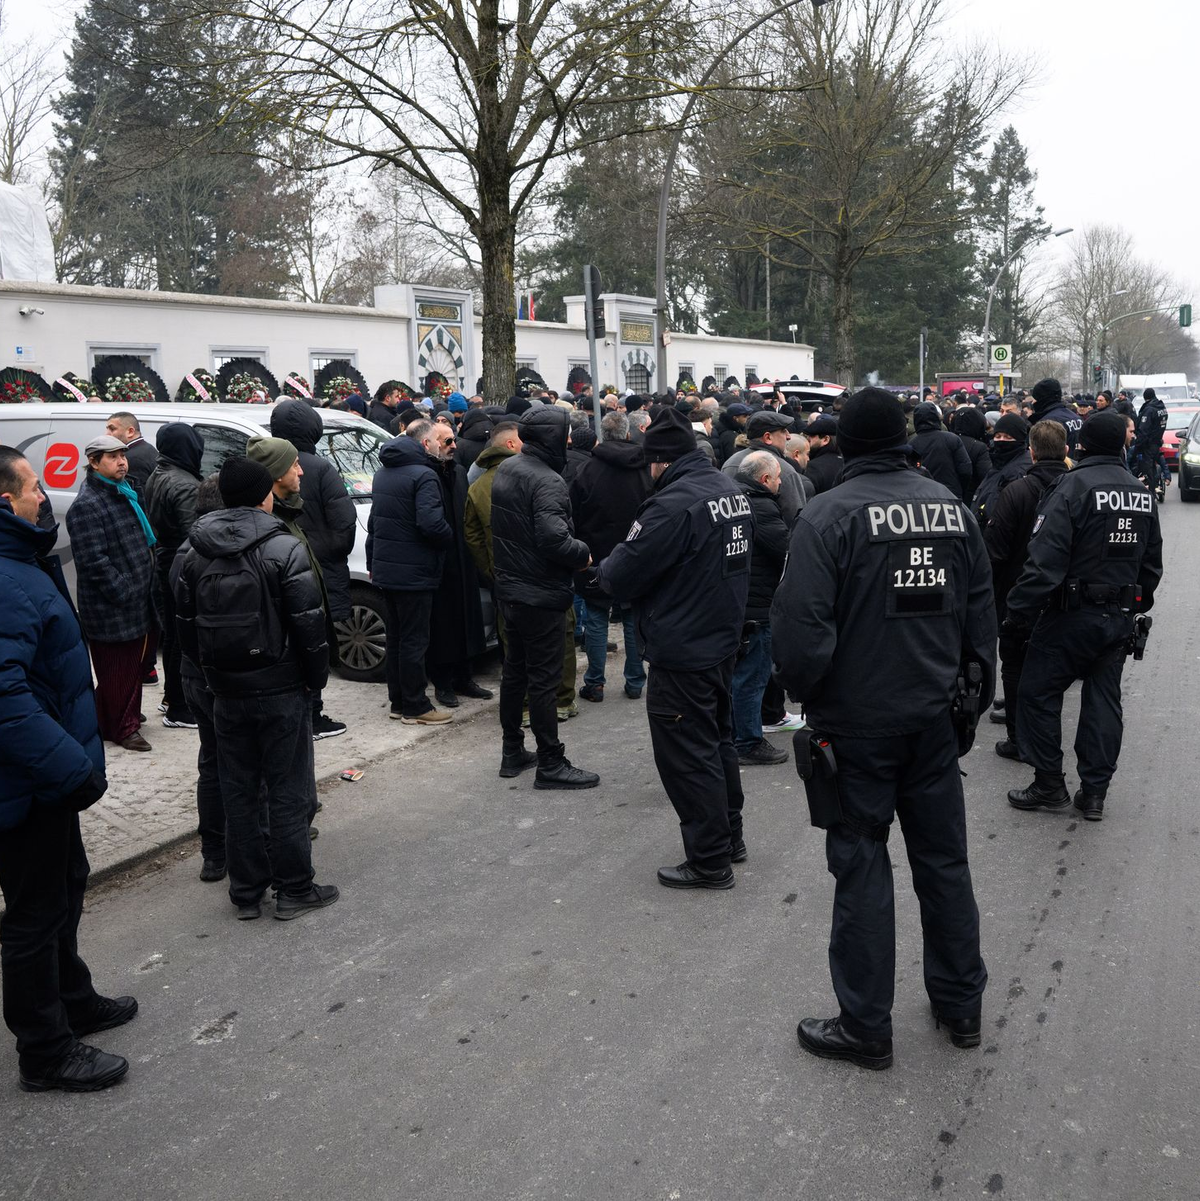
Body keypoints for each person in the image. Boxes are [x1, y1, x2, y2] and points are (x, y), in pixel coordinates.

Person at [772, 388, 995, 1070]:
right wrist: (968, 703)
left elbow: (802, 630)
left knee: (863, 864)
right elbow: (980, 618)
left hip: (858, 725)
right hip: (931, 721)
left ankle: (866, 1024)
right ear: (902, 438)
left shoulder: (828, 513)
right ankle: (960, 1003)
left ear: (846, 441)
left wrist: (805, 697)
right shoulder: (951, 508)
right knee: (944, 863)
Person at [0, 446, 135, 1093]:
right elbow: (5, 699)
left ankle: (72, 997)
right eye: (32, 487)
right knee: (32, 913)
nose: (42, 497)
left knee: (65, 885)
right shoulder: (3, 577)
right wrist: (69, 766)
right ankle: (45, 1049)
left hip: (44, 778)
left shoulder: (22, 560)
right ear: (6, 501)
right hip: (23, 783)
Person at [174, 456, 338, 921]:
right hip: (281, 686)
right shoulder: (283, 547)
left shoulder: (193, 550)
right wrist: (313, 681)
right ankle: (294, 889)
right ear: (265, 494)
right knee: (286, 789)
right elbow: (310, 627)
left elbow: (185, 629)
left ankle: (246, 892)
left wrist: (210, 675)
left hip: (225, 690)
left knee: (239, 790)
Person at [595, 407, 752, 890]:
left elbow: (619, 575)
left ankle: (709, 860)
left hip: (684, 646)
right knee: (717, 740)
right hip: (720, 636)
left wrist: (598, 573)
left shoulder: (672, 504)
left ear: (659, 461)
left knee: (688, 754)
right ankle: (729, 839)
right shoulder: (731, 490)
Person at [1004, 410, 1163, 821]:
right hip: (1119, 617)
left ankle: (1049, 784)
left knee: (1037, 693)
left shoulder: (1071, 488)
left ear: (1082, 445)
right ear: (1125, 444)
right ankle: (1094, 793)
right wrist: (1132, 605)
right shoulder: (1141, 493)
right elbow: (1151, 563)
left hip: (1069, 617)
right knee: (1103, 702)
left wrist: (1018, 613)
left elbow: (1043, 561)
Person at [491, 406, 598, 788]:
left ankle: (512, 751)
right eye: (565, 434)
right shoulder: (547, 480)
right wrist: (582, 553)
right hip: (538, 594)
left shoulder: (509, 467)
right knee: (542, 681)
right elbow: (553, 538)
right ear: (553, 439)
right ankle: (551, 762)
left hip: (512, 591)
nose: (569, 440)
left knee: (515, 674)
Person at [247, 431, 349, 740]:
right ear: (277, 475)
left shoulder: (288, 512)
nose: (302, 471)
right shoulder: (269, 523)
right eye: (294, 465)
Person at [982, 420, 1069, 761]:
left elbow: (995, 552)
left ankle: (1019, 740)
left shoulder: (1016, 491)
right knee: (1049, 674)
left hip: (1016, 596)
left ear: (1031, 452)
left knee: (1015, 667)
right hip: (1061, 598)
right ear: (1064, 451)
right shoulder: (1072, 488)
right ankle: (1041, 741)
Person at [65, 435, 157, 753]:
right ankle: (122, 727)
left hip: (137, 599)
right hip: (113, 606)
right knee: (117, 669)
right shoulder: (88, 504)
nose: (121, 462)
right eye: (112, 457)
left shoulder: (126, 491)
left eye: (123, 455)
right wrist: (126, 590)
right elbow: (94, 563)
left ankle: (115, 717)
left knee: (133, 666)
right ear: (94, 462)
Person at [366, 428, 455, 726]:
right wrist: (448, 538)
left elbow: (375, 522)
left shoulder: (383, 472)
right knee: (414, 641)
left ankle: (399, 701)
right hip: (414, 571)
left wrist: (373, 560)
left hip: (387, 570)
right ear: (424, 443)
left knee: (396, 639)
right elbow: (431, 523)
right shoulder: (424, 474)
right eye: (434, 441)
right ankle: (416, 706)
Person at [169, 475, 229, 882]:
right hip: (220, 675)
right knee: (240, 763)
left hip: (195, 673)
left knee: (212, 761)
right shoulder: (214, 553)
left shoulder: (183, 551)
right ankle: (244, 845)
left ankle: (214, 853)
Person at [569, 411, 651, 703]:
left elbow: (574, 514)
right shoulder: (644, 468)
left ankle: (595, 682)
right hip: (634, 553)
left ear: (602, 435)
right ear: (628, 434)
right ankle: (634, 681)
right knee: (631, 617)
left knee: (596, 617)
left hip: (596, 555)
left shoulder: (588, 470)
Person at [414, 419, 492, 708]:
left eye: (453, 440)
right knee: (443, 624)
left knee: (466, 620)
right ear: (430, 444)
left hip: (463, 556)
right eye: (447, 441)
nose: (453, 446)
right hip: (439, 561)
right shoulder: (424, 474)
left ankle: (465, 677)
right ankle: (443, 683)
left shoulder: (458, 471)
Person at [143, 423, 204, 730]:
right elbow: (194, 534)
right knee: (182, 636)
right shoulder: (184, 484)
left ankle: (171, 697)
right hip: (178, 566)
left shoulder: (159, 473)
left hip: (164, 561)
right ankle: (180, 706)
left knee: (172, 635)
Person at [730, 452, 789, 766]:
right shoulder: (762, 505)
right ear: (765, 479)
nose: (780, 483)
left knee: (738, 675)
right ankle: (748, 742)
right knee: (752, 677)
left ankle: (734, 736)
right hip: (758, 606)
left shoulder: (732, 496)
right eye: (778, 477)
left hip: (738, 601)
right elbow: (786, 549)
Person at [722, 409, 806, 524]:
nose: (788, 436)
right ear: (768, 437)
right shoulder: (784, 470)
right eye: (783, 430)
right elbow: (795, 519)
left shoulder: (730, 463)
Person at [971, 413, 1031, 526]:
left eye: (1008, 437)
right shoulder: (997, 464)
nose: (1002, 441)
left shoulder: (1020, 470)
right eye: (998, 436)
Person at [909, 402, 973, 499]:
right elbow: (965, 469)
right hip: (950, 494)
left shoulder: (912, 444)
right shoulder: (951, 439)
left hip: (923, 496)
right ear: (936, 417)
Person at [104, 411, 157, 491]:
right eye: (107, 429)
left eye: (112, 429)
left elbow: (136, 497)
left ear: (130, 432)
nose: (107, 434)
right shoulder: (147, 448)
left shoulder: (132, 458)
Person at [950, 406, 992, 504]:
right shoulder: (979, 447)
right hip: (969, 498)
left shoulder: (946, 441)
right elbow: (986, 475)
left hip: (945, 494)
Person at [1028, 377, 1082, 454]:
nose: (1032, 402)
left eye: (1035, 398)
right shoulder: (1076, 417)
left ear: (1042, 399)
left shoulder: (1047, 423)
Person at [802, 415, 844, 495]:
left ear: (825, 439)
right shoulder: (846, 464)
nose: (808, 439)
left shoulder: (813, 467)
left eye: (812, 436)